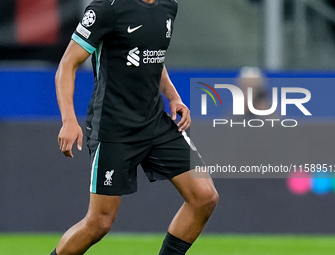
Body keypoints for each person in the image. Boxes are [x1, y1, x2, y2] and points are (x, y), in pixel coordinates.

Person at [51, 0, 218, 254]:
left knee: (204, 197)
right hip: (113, 128)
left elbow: (152, 56)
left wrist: (173, 96)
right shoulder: (106, 9)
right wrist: (68, 119)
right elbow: (67, 65)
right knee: (99, 222)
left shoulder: (168, 7)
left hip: (154, 122)